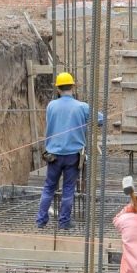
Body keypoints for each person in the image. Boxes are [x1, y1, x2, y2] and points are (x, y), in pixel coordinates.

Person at [39, 71, 104, 231]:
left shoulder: (51, 106)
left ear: (58, 89)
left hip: (53, 154)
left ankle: (41, 220)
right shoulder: (82, 107)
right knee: (68, 188)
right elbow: (100, 119)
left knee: (49, 187)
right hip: (73, 156)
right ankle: (64, 222)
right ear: (73, 87)